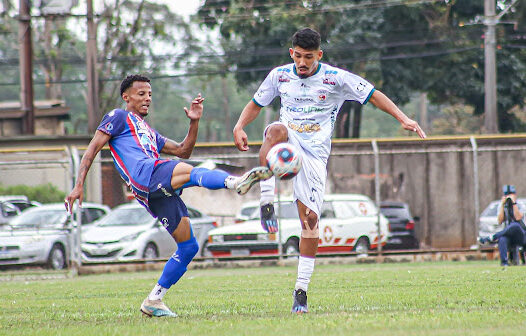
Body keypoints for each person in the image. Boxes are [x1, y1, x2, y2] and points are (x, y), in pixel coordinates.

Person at [233, 28, 426, 314]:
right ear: (291, 53)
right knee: (274, 130)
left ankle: (301, 291)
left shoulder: (336, 79)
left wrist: (404, 118)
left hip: (315, 155)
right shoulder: (279, 75)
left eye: (308, 57)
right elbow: (256, 103)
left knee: (310, 222)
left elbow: (373, 95)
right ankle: (265, 199)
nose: (302, 62)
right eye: (297, 56)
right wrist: (239, 126)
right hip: (289, 139)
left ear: (319, 55)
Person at [65, 74, 272, 318]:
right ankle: (235, 182)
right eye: (141, 94)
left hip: (152, 191)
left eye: (150, 95)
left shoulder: (150, 133)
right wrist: (79, 185)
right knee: (191, 172)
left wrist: (194, 122)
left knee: (188, 246)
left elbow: (184, 150)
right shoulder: (117, 117)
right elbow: (91, 150)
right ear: (126, 97)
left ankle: (154, 299)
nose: (147, 99)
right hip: (146, 173)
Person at [479, 185, 526, 266]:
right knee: (502, 239)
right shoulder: (503, 206)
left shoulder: (521, 205)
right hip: (509, 235)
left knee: (515, 225)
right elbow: (500, 221)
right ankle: (504, 263)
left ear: (515, 195)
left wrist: (514, 203)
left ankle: (492, 237)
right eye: (506, 194)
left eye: (510, 194)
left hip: (521, 235)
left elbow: (518, 217)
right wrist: (502, 205)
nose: (508, 196)